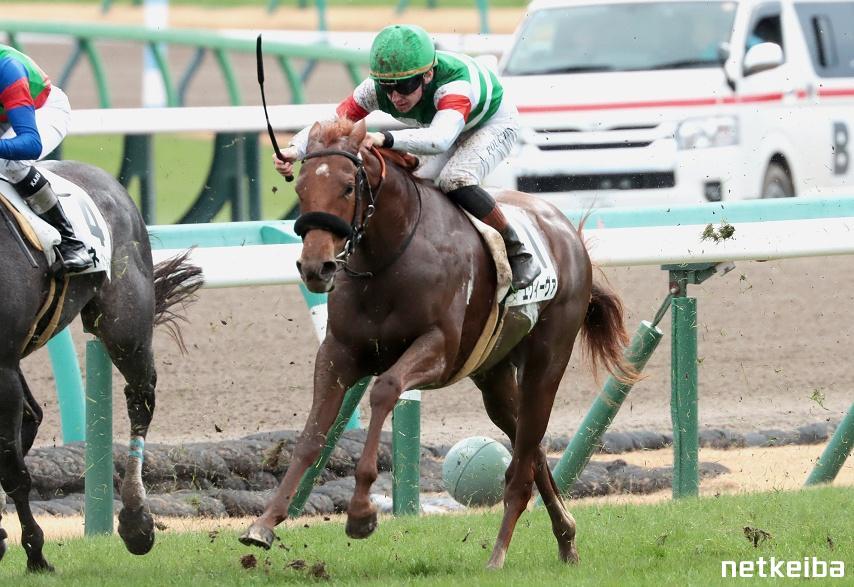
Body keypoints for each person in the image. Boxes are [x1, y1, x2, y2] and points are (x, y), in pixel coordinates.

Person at [275, 24, 540, 291]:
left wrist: (386, 138)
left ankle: (516, 249)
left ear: (428, 75)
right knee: (412, 182)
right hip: (444, 125)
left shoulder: (455, 86)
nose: (395, 97)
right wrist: (295, 150)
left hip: (491, 125)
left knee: (454, 179)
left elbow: (440, 139)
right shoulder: (375, 89)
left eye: (404, 86)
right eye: (387, 87)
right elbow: (333, 121)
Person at [0, 44, 92, 272]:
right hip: (5, 114)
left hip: (42, 110)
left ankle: (71, 242)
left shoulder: (8, 68)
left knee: (11, 163)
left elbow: (30, 144)